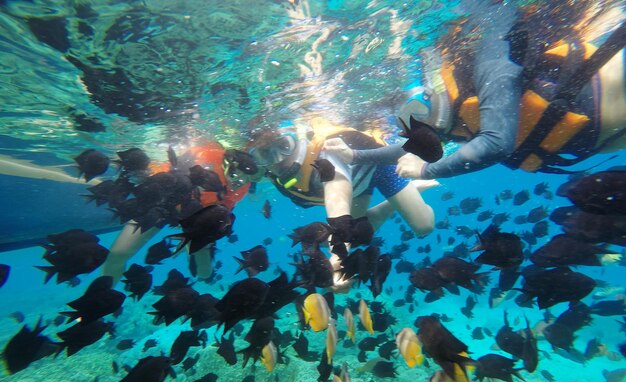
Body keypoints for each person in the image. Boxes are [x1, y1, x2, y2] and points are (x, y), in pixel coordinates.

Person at [323, 3, 626, 180]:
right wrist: (353, 155)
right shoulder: (462, 99)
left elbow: (496, 144)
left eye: (426, 94)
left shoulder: (492, 50)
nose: (427, 98)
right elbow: (415, 148)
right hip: (606, 127)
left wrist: (428, 170)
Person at [241, 117, 437, 289]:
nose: (278, 160)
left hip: (379, 169)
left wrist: (337, 259)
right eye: (265, 155)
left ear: (297, 139)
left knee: (423, 226)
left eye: (284, 147)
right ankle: (395, 202)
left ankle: (413, 188)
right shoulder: (271, 175)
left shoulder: (325, 150)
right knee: (359, 233)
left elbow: (338, 196)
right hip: (358, 188)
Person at [101, 142, 251, 283]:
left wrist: (202, 232)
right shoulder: (205, 149)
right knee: (118, 253)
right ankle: (99, 300)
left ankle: (191, 245)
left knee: (204, 273)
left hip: (199, 216)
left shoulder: (245, 181)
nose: (241, 175)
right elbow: (169, 171)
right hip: (166, 202)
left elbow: (222, 210)